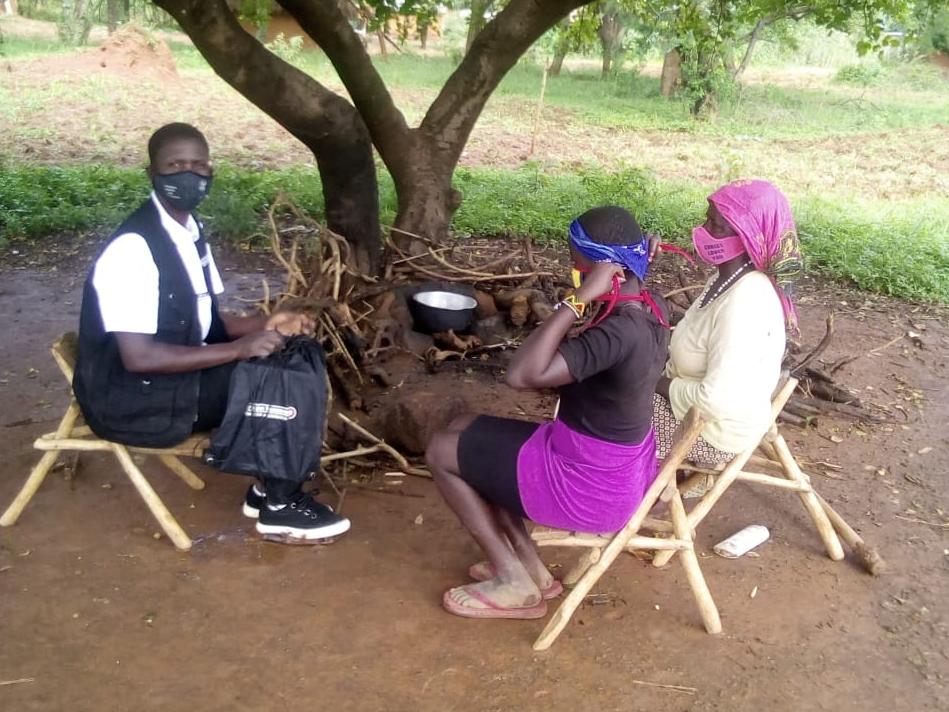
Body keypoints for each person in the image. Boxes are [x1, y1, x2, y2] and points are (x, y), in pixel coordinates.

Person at [73, 122, 350, 543]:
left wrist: (268, 323)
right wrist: (240, 349)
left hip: (167, 382)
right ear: (153, 172)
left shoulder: (188, 233)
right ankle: (280, 504)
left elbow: (208, 324)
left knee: (297, 352)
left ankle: (267, 488)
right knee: (270, 382)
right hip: (133, 400)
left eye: (199, 165)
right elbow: (139, 358)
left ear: (210, 172)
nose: (190, 174)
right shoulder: (133, 250)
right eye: (176, 165)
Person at [425, 206, 670, 619]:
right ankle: (529, 567)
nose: (571, 266)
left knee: (439, 451)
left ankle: (512, 581)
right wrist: (632, 270)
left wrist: (576, 300)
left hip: (587, 486)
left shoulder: (616, 333)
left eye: (575, 259)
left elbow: (521, 375)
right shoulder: (649, 304)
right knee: (465, 428)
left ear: (594, 268)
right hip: (605, 465)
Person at [653, 179, 802, 468]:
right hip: (693, 412)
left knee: (603, 412)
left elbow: (715, 402)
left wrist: (653, 383)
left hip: (710, 432)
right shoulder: (724, 282)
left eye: (718, 227)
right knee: (605, 393)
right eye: (707, 220)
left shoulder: (745, 301)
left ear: (749, 236)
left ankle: (613, 491)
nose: (704, 232)